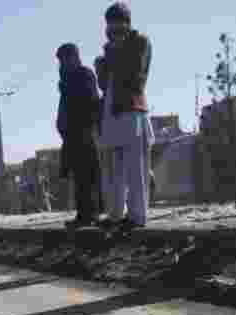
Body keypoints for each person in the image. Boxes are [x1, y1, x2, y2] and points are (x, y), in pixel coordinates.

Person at [95, 2, 153, 236]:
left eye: (117, 23)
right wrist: (102, 67)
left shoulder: (139, 42)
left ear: (127, 23)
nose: (113, 29)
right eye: (110, 25)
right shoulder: (110, 49)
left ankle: (137, 216)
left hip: (131, 108)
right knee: (114, 168)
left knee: (135, 167)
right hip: (112, 110)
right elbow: (104, 84)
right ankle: (116, 214)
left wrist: (113, 55)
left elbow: (136, 76)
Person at [56, 43, 103, 229]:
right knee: (79, 176)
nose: (62, 64)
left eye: (65, 59)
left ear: (74, 57)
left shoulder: (84, 75)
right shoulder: (68, 79)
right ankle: (83, 214)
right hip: (72, 135)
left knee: (87, 175)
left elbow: (90, 103)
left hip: (83, 132)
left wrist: (85, 128)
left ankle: (91, 214)